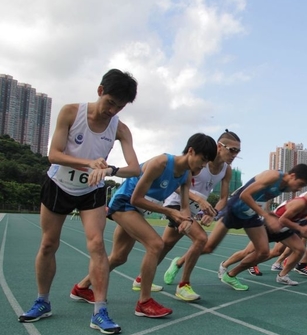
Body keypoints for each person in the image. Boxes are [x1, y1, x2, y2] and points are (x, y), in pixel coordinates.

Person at [18, 69, 139, 335]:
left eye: (119, 107)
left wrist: (110, 170)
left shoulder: (120, 129)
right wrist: (89, 163)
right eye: (110, 102)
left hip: (91, 191)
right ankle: (42, 301)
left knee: (97, 245)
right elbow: (54, 154)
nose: (112, 110)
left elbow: (135, 168)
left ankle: (100, 311)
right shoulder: (71, 112)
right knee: (49, 243)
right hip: (58, 185)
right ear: (99, 91)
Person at [71, 133, 217, 317]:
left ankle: (81, 287)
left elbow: (185, 207)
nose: (203, 166)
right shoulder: (161, 163)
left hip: (137, 210)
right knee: (155, 244)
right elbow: (136, 198)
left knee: (118, 257)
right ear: (191, 151)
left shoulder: (186, 176)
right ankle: (144, 302)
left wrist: (186, 221)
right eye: (202, 160)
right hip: (124, 203)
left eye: (206, 163)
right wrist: (170, 212)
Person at [203, 164, 307, 291]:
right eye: (300, 184)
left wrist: (268, 213)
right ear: (292, 176)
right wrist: (265, 215)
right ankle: (180, 263)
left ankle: (231, 275)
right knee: (209, 247)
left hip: (250, 214)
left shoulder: (284, 188)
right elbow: (244, 195)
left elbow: (264, 198)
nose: (299, 189)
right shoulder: (274, 176)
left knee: (264, 252)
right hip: (235, 208)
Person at [158, 130, 241, 297]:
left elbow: (224, 198)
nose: (235, 155)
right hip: (177, 204)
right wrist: (199, 200)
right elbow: (177, 184)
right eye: (232, 150)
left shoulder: (227, 170)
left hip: (192, 210)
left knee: (164, 245)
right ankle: (183, 285)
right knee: (201, 238)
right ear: (219, 146)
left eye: (238, 151)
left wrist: (213, 213)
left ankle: (140, 279)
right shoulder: (199, 160)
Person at [219, 186, 307, 286]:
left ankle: (282, 276)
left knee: (299, 249)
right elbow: (283, 219)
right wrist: (299, 228)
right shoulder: (300, 203)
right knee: (248, 252)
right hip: (269, 227)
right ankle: (225, 265)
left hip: (283, 230)